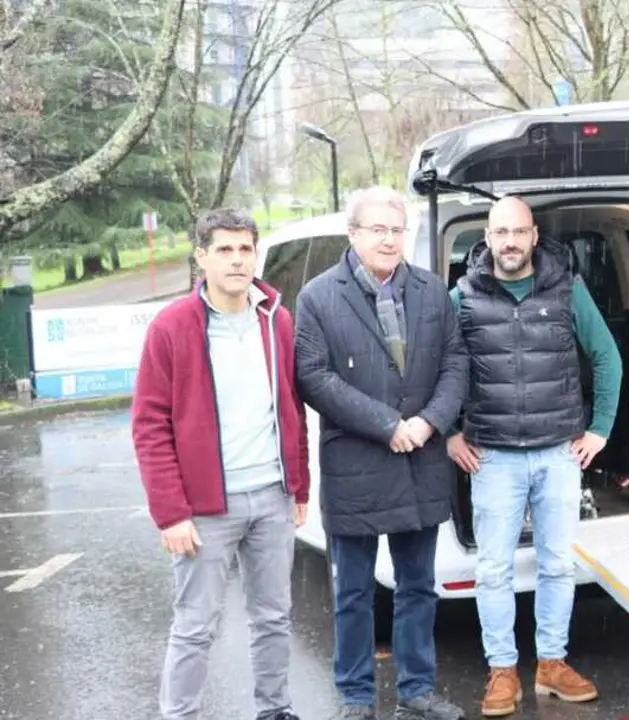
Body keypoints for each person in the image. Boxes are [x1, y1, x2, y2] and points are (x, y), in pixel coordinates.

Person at [293, 186, 469, 720]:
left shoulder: (432, 291)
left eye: (396, 230)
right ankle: (355, 696)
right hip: (357, 467)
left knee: (419, 586)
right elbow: (314, 378)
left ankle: (416, 691)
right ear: (354, 234)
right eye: (377, 229)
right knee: (353, 594)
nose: (389, 239)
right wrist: (387, 425)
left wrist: (430, 421)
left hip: (420, 462)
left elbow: (456, 361)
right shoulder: (318, 297)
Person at [445, 196, 622, 718]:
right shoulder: (463, 297)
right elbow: (441, 370)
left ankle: (550, 664)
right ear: (488, 237)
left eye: (519, 232)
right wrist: (451, 433)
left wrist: (600, 430)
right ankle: (503, 670)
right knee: (494, 570)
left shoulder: (567, 289)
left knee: (557, 565)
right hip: (494, 458)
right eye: (501, 233)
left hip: (558, 453)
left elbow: (606, 355)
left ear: (534, 237)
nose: (510, 242)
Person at [132, 208, 309, 720]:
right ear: (201, 257)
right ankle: (179, 714)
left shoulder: (276, 319)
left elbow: (290, 406)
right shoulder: (171, 328)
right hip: (206, 508)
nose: (237, 260)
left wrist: (298, 486)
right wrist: (170, 512)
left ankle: (275, 709)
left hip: (272, 496)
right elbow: (149, 424)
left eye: (245, 249)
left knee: (273, 617)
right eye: (225, 250)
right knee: (195, 625)